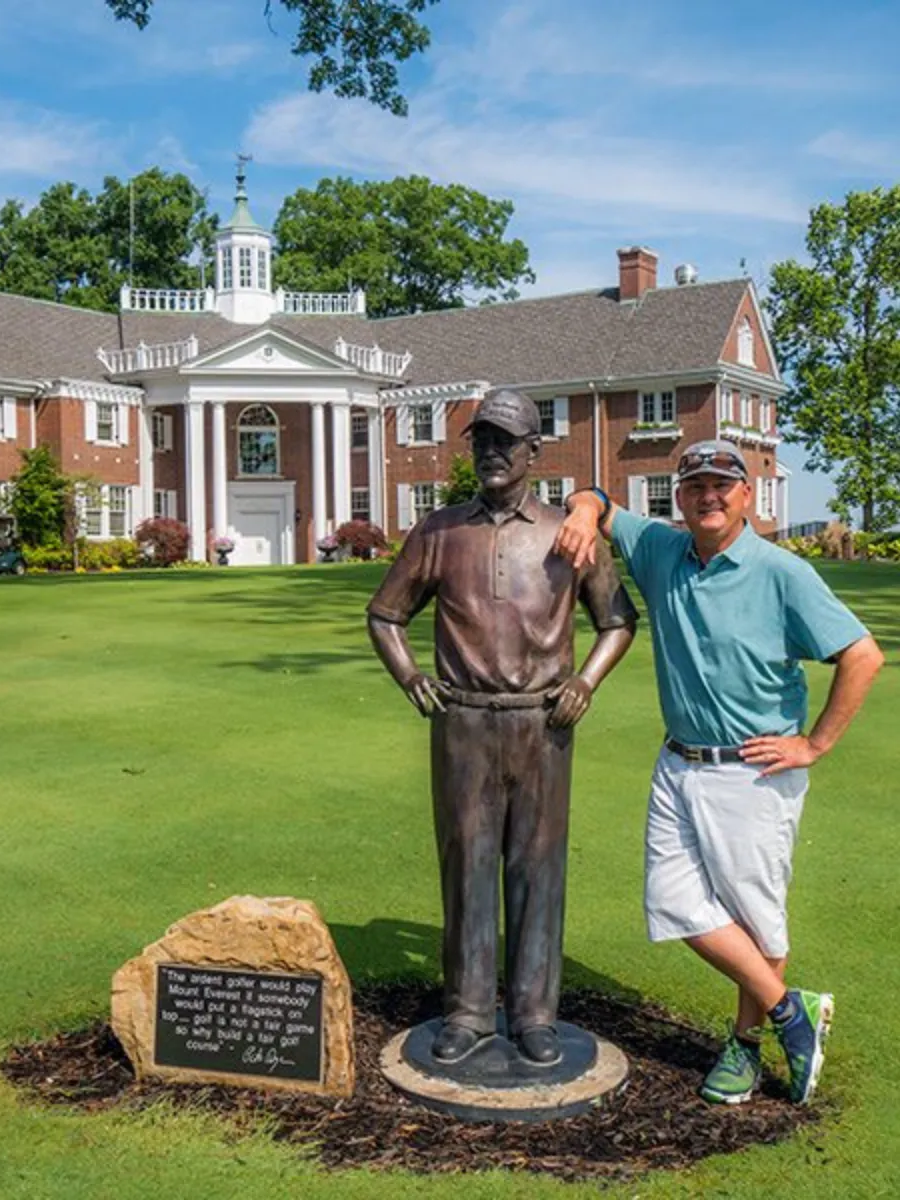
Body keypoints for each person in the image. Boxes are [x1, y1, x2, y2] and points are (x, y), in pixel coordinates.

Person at [554, 439, 883, 1104]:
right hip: (678, 763)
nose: (709, 496)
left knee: (757, 920)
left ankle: (747, 1044)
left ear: (747, 495)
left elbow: (863, 655)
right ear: (679, 496)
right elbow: (599, 498)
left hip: (753, 772)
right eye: (695, 485)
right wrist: (585, 513)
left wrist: (814, 744)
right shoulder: (661, 549)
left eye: (722, 485)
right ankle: (793, 1011)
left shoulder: (779, 571)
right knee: (671, 901)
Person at [366, 389, 638, 1067]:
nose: (490, 452)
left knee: (537, 867)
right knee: (467, 862)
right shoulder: (439, 532)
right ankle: (466, 1007)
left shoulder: (567, 534)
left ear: (533, 452)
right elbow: (385, 614)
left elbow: (617, 620)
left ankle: (535, 1012)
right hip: (462, 722)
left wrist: (585, 682)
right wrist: (410, 678)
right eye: (480, 440)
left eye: (504, 441)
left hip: (543, 724)